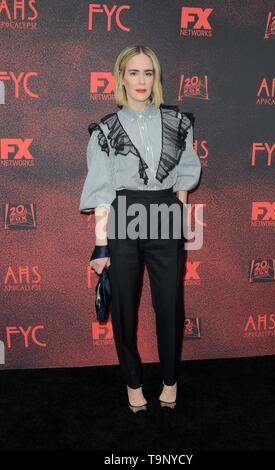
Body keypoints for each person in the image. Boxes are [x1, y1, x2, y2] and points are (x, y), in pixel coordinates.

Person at [79, 45, 201, 415]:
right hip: (124, 213)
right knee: (125, 311)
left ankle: (169, 380)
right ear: (121, 77)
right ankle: (133, 383)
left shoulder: (178, 123)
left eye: (148, 73)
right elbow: (101, 189)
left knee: (169, 305)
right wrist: (101, 246)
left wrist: (177, 211)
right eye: (134, 72)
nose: (141, 80)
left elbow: (184, 172)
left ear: (156, 78)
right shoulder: (105, 129)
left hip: (165, 212)